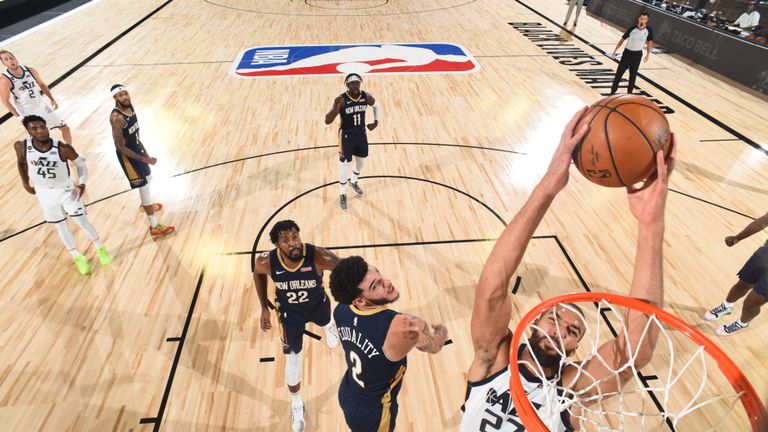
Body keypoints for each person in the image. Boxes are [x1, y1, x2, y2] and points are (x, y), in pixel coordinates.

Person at [460, 107, 675, 431]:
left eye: (572, 332)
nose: (560, 330)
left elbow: (635, 352)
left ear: (574, 350)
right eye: (554, 319)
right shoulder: (493, 359)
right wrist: (547, 186)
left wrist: (650, 226)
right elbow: (491, 288)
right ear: (532, 325)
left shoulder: (570, 392)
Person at [329, 255, 448, 432]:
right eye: (375, 285)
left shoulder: (341, 310)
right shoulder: (403, 328)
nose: (387, 282)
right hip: (374, 414)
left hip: (348, 390)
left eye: (378, 273)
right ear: (360, 301)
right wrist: (442, 332)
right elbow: (434, 346)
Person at [253, 220, 341, 432]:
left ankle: (329, 327)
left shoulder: (318, 256)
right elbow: (257, 272)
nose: (293, 243)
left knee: (326, 319)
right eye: (285, 240)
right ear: (277, 244)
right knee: (293, 360)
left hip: (317, 304)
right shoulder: (266, 262)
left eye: (295, 237)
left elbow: (346, 269)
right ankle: (296, 403)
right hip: (289, 314)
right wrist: (264, 306)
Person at [14, 115, 111, 275]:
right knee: (60, 225)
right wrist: (25, 182)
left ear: (47, 127)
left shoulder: (63, 148)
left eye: (42, 127)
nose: (40, 131)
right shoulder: (21, 147)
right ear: (29, 132)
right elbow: (21, 163)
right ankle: (76, 256)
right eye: (34, 128)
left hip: (66, 191)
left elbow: (81, 165)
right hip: (44, 192)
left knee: (81, 221)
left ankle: (99, 246)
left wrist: (83, 183)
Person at [109, 84, 175, 238]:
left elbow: (136, 136)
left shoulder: (130, 108)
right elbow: (120, 147)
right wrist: (144, 158)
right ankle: (154, 226)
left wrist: (145, 153)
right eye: (120, 95)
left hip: (137, 149)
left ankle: (145, 205)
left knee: (149, 177)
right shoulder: (116, 118)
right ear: (115, 98)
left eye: (126, 93)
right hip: (127, 156)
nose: (125, 97)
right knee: (144, 186)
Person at [703, 212, 768, 336]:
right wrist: (738, 237)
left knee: (751, 303)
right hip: (766, 253)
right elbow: (763, 221)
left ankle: (742, 323)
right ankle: (727, 306)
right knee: (743, 283)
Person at [324, 73, 380, 210]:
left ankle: (353, 182)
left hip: (361, 134)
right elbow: (327, 120)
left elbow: (377, 105)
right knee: (345, 165)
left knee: (361, 162)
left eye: (357, 83)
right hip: (346, 136)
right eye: (352, 83)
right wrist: (335, 106)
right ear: (347, 85)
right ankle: (342, 193)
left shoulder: (365, 96)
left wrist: (376, 122)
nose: (355, 86)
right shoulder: (342, 99)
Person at [1, 50, 73, 144]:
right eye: (6, 60)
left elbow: (42, 85)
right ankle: (37, 157)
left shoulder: (30, 70)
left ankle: (71, 151)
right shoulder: (4, 79)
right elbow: (5, 100)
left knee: (65, 128)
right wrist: (19, 117)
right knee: (36, 138)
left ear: (16, 59)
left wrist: (52, 99)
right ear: (3, 63)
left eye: (11, 58)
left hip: (41, 105)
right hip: (26, 111)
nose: (10, 61)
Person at [610, 13, 654, 95]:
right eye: (641, 18)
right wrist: (614, 52)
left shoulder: (648, 30)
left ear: (647, 20)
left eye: (644, 19)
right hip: (627, 53)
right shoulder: (632, 29)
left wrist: (648, 54)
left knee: (633, 75)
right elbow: (622, 40)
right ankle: (613, 91)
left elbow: (649, 43)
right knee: (619, 73)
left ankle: (629, 94)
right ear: (638, 19)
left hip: (637, 55)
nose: (642, 20)